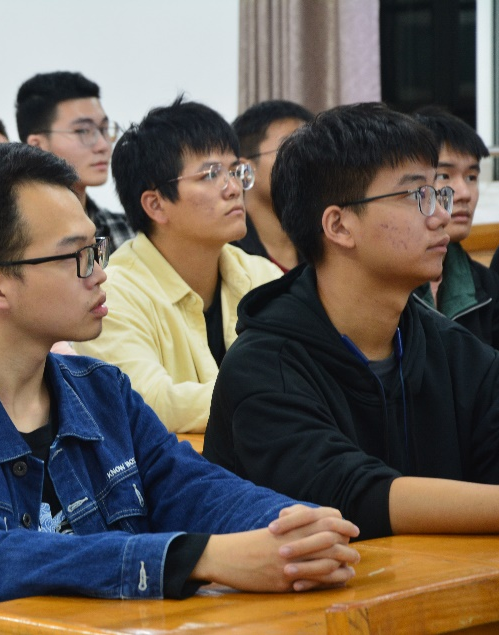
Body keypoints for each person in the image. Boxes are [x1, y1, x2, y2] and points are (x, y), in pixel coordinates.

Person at [0, 143, 360, 633]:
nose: (99, 274)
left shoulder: (101, 389)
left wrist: (292, 528)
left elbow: (191, 487)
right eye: (77, 256)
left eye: (97, 248)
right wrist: (197, 558)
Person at [203, 102, 499, 540]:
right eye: (415, 196)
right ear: (339, 226)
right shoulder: (263, 367)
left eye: (438, 194)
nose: (440, 215)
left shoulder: (460, 354)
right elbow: (348, 496)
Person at [74, 98, 282, 433]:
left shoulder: (262, 276)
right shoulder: (111, 295)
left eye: (235, 171)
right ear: (155, 204)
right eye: (211, 174)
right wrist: (274, 399)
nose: (233, 189)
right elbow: (148, 402)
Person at [410, 106, 499, 347]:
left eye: (471, 177)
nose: (463, 194)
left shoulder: (488, 285)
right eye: (444, 176)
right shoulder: (386, 282)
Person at [16, 71, 134, 250]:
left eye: (104, 129)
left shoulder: (126, 232)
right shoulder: (15, 239)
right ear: (37, 146)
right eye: (82, 131)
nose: (103, 145)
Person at [231, 100, 314, 271]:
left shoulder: (324, 245)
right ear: (245, 170)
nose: (308, 161)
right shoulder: (227, 253)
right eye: (291, 150)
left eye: (311, 150)